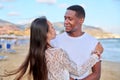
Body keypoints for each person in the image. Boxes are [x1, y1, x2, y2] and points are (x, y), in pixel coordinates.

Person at [0, 17, 101, 80]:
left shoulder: (37, 53)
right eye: (52, 27)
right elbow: (79, 71)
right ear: (45, 33)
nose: (54, 29)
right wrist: (95, 56)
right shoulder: (58, 52)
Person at [50, 5, 104, 80]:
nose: (66, 22)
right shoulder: (55, 41)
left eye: (70, 19)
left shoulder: (93, 42)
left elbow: (96, 74)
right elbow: (53, 69)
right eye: (65, 18)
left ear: (81, 20)